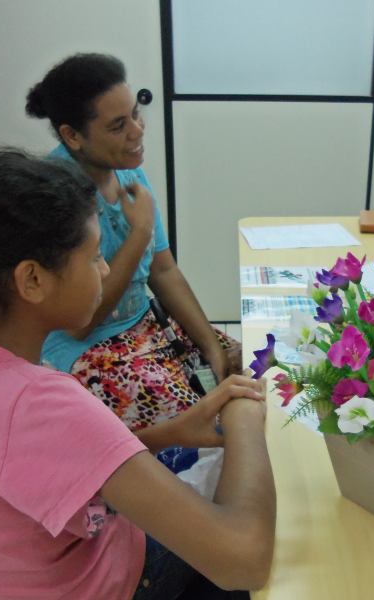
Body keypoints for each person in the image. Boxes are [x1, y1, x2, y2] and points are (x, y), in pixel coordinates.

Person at [0, 151, 275, 599]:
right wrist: (245, 414)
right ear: (32, 280)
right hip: (112, 582)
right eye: (93, 257)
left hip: (16, 575)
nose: (106, 269)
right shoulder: (33, 404)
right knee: (271, 524)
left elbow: (52, 465)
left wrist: (170, 432)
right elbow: (243, 560)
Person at [25, 53, 239, 432]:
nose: (138, 132)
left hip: (146, 322)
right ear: (72, 135)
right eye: (118, 126)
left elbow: (165, 271)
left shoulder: (126, 168)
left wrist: (211, 347)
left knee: (244, 369)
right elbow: (81, 323)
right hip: (92, 348)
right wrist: (139, 234)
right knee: (208, 425)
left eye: (136, 115)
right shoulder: (54, 195)